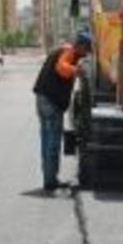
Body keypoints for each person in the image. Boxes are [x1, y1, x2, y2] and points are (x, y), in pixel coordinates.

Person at [33, 31, 93, 192]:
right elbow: (61, 68)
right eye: (87, 49)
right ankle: (50, 181)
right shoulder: (68, 51)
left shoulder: (65, 51)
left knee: (46, 141)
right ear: (80, 46)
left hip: (43, 99)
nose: (87, 54)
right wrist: (77, 70)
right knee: (52, 142)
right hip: (51, 102)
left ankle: (49, 179)